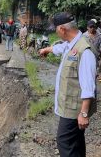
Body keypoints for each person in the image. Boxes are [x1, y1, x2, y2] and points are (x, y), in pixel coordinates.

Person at [39, 12, 97, 157]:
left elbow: (88, 86)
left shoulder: (84, 51)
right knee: (75, 141)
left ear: (62, 29)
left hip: (74, 110)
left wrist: (84, 113)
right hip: (70, 107)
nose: (56, 33)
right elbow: (62, 48)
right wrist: (47, 49)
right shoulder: (72, 44)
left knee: (64, 141)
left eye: (56, 29)